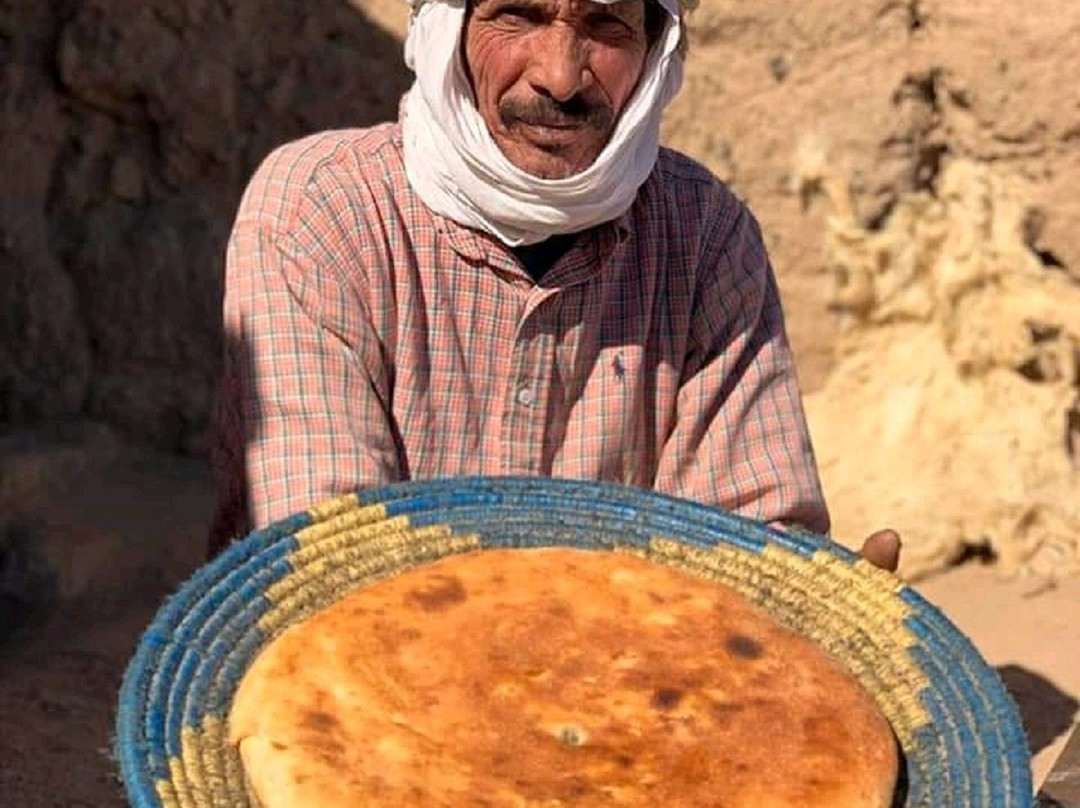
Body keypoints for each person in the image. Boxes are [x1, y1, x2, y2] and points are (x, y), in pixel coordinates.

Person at [207, 0, 900, 570]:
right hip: (366, 673)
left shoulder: (705, 236)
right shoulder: (322, 210)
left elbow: (746, 552)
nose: (561, 78)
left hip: (629, 675)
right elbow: (332, 564)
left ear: (655, 49)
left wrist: (790, 603)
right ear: (449, 28)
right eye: (518, 15)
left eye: (605, 24)